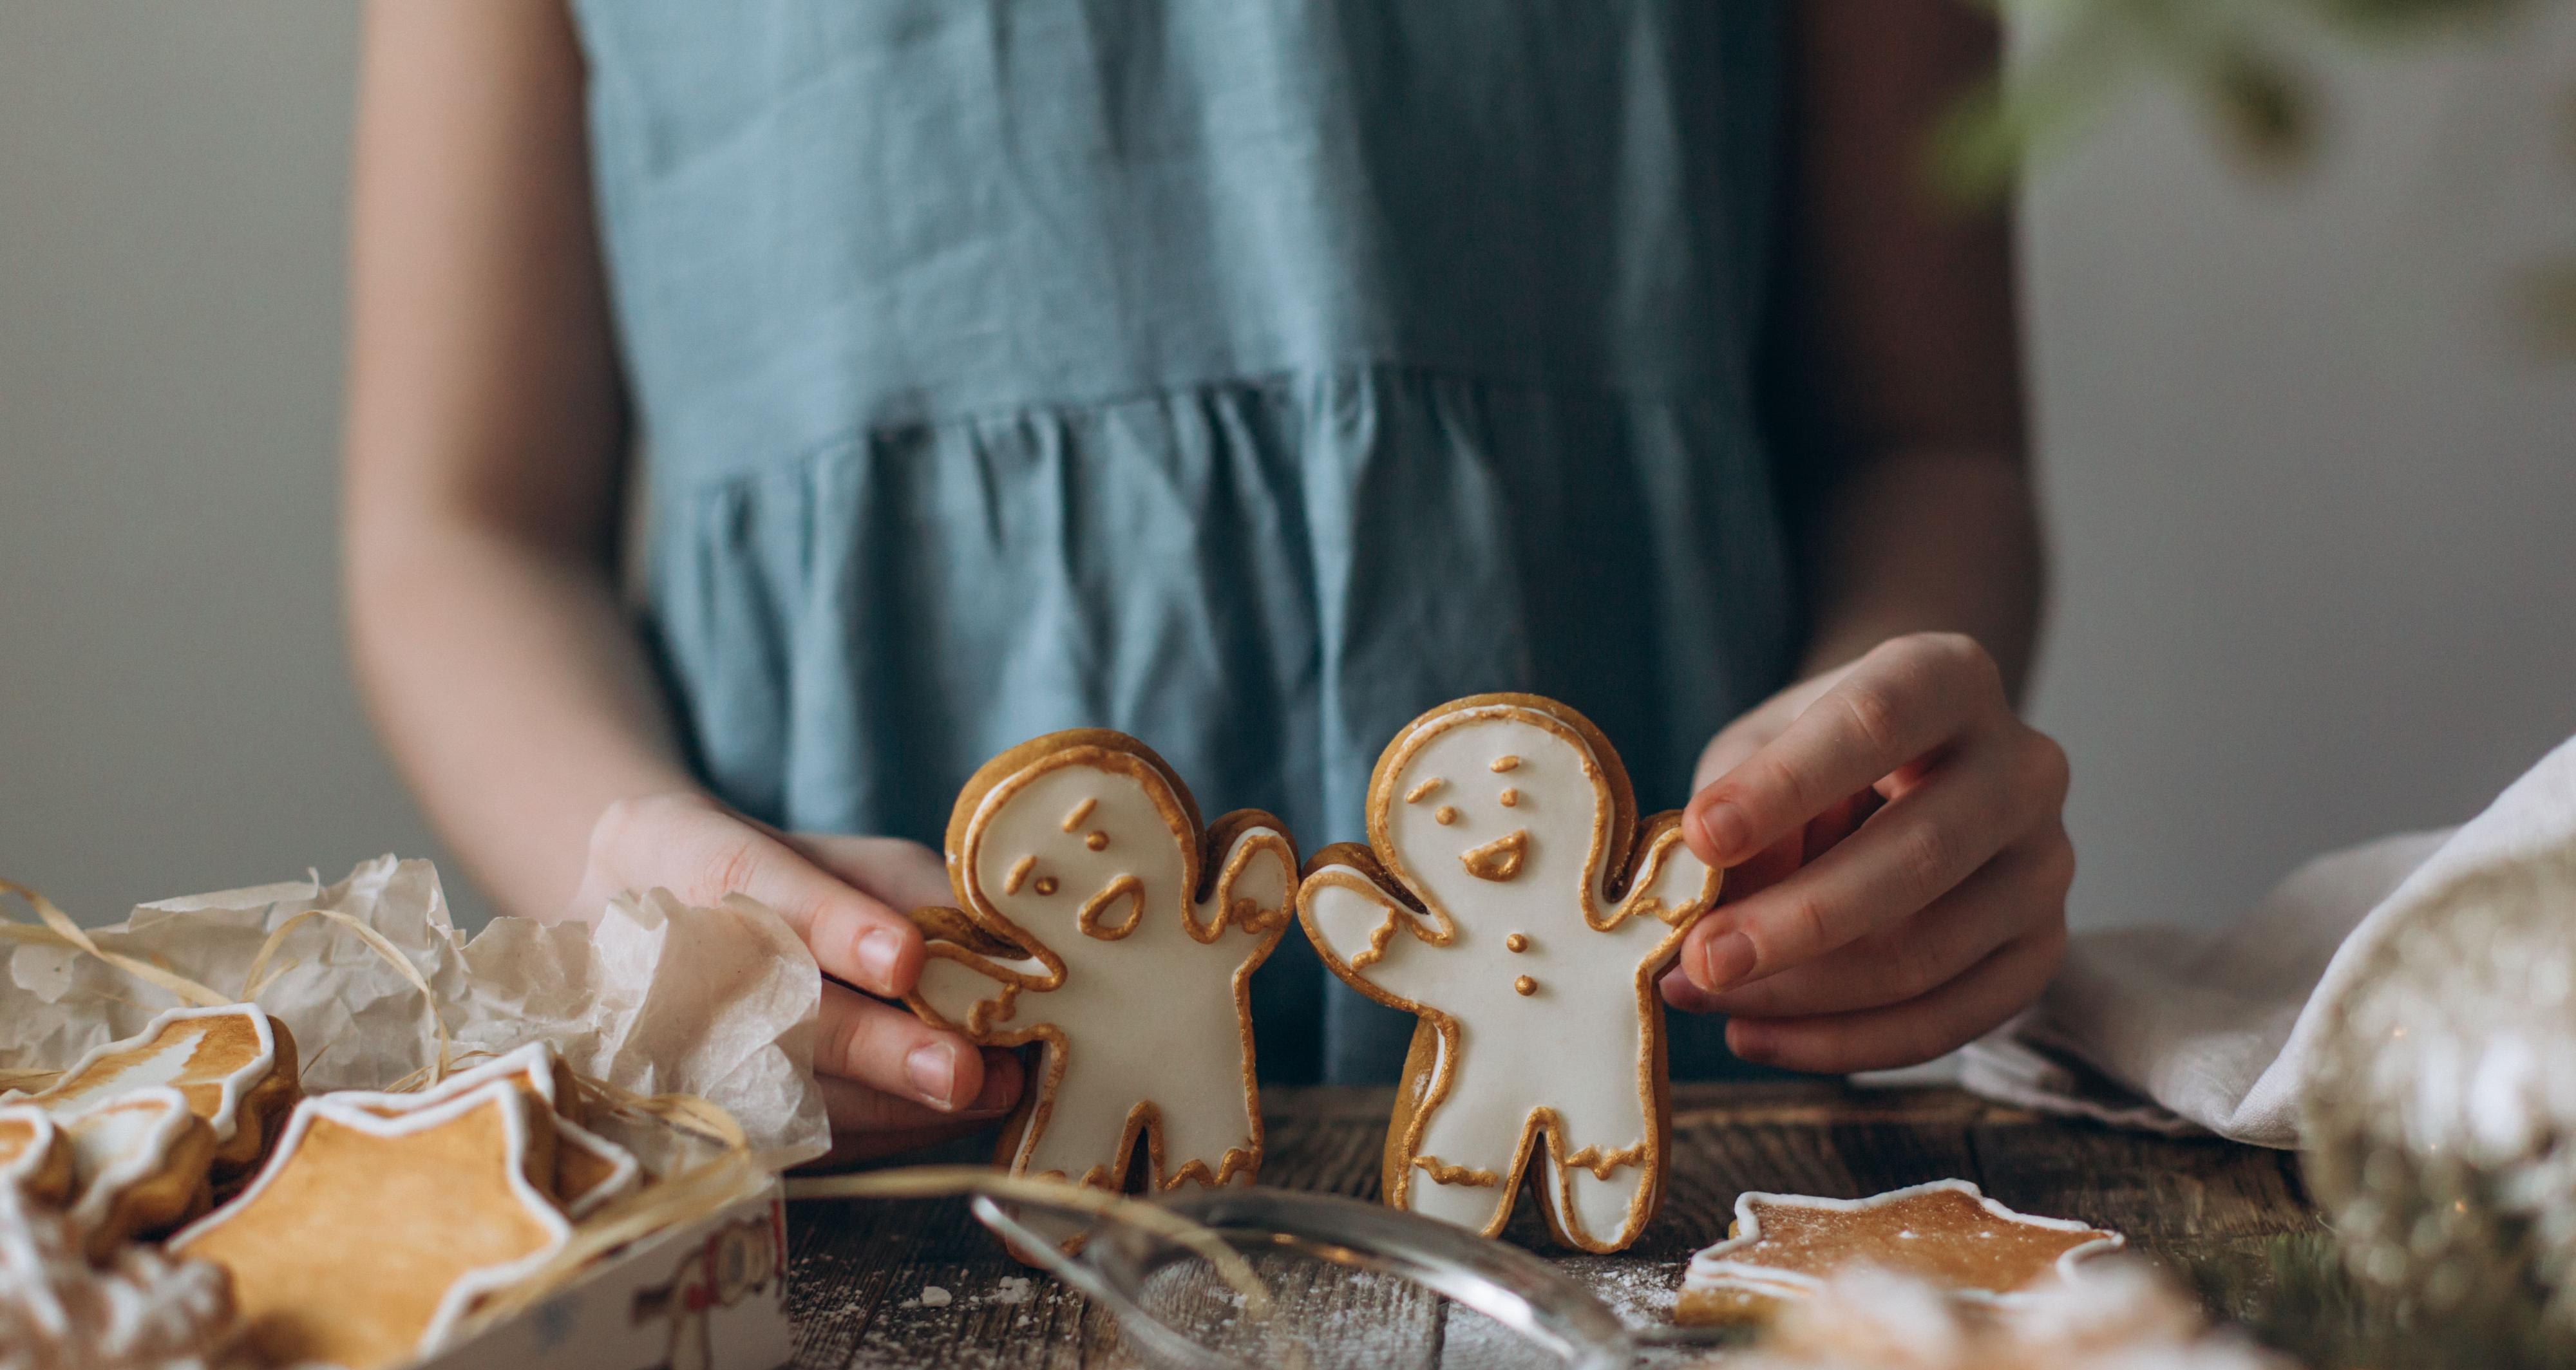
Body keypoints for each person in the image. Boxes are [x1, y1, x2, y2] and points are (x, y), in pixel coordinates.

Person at [343, 0, 2073, 1165]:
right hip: (862, 1134)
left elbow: (1924, 446)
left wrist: (1880, 778)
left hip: (1691, 1120)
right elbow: (465, 524)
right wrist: (655, 890)